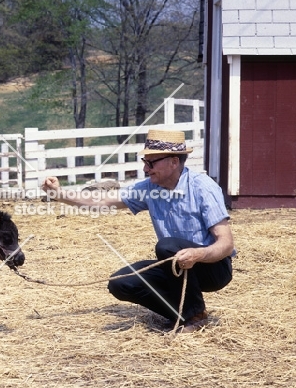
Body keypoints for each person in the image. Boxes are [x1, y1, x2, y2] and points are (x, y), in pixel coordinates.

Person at [42, 129, 235, 333]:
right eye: (145, 161)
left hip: (212, 267)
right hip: (175, 264)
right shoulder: (149, 189)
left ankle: (195, 316)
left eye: (151, 162)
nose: (145, 168)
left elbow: (226, 244)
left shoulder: (203, 187)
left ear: (174, 161)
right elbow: (102, 200)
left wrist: (199, 254)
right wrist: (59, 193)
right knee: (121, 283)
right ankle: (184, 315)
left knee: (167, 246)